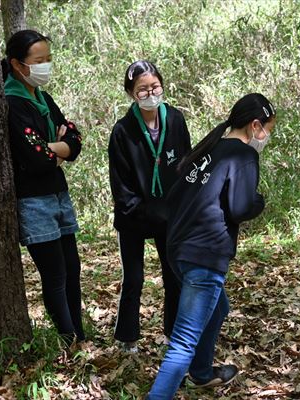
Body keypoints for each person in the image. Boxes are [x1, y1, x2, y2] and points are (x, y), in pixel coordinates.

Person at [147, 93, 276, 399]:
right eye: (268, 129)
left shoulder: (210, 148)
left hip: (179, 248)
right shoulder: (243, 155)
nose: (267, 136)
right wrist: (260, 202)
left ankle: (202, 374)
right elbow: (241, 207)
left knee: (219, 308)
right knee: (184, 340)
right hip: (204, 253)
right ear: (255, 125)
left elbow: (175, 196)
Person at [2, 30, 85, 344]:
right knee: (55, 275)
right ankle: (69, 341)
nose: (46, 65)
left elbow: (75, 141)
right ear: (18, 65)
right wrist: (57, 147)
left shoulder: (43, 98)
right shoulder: (12, 102)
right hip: (33, 200)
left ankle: (80, 334)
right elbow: (36, 160)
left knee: (73, 269)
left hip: (59, 194)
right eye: (40, 61)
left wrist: (54, 148)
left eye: (48, 59)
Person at [108, 60, 192, 351]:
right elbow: (121, 185)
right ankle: (127, 338)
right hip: (134, 217)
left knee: (175, 276)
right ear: (131, 93)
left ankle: (174, 333)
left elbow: (187, 164)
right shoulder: (122, 131)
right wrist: (143, 210)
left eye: (154, 86)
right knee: (134, 278)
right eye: (142, 89)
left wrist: (185, 204)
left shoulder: (176, 120)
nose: (150, 93)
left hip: (170, 216)